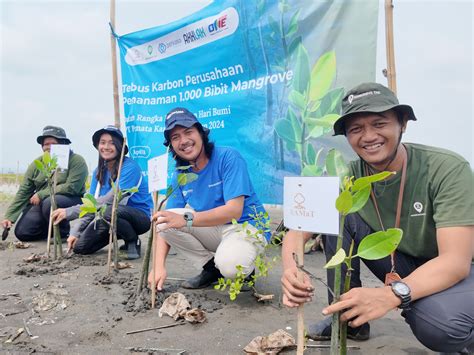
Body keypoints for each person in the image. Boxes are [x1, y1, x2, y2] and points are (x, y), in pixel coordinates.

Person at [281, 82, 474, 353]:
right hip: (399, 261)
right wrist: (291, 271)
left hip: (455, 269)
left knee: (440, 325)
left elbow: (455, 261)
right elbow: (297, 231)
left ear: (402, 123)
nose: (368, 136)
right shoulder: (350, 175)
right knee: (340, 212)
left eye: (379, 123)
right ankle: (349, 318)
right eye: (356, 129)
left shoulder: (446, 169)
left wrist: (389, 295)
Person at [148, 107, 269, 290]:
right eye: (175, 137)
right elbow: (167, 218)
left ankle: (244, 267)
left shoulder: (228, 157)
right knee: (164, 220)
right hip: (215, 228)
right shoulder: (180, 174)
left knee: (231, 265)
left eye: (188, 132)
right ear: (171, 146)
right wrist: (158, 267)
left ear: (201, 133)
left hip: (246, 226)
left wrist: (185, 219)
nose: (184, 141)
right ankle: (211, 269)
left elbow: (234, 210)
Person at [52, 126, 153, 259]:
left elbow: (111, 200)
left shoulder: (130, 167)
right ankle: (117, 234)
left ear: (120, 146)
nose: (106, 146)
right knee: (80, 248)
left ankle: (132, 240)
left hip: (139, 217)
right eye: (102, 142)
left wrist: (69, 212)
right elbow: (91, 205)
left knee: (109, 210)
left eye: (112, 142)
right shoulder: (98, 172)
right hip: (108, 216)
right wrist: (75, 232)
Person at [1, 126, 88, 241]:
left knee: (50, 202)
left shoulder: (77, 160)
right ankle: (50, 229)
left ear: (63, 144)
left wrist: (41, 194)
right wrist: (9, 217)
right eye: (46, 144)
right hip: (42, 203)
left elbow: (72, 187)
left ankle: (62, 232)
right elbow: (24, 191)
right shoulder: (37, 164)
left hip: (70, 199)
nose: (49, 147)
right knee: (23, 233)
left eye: (53, 143)